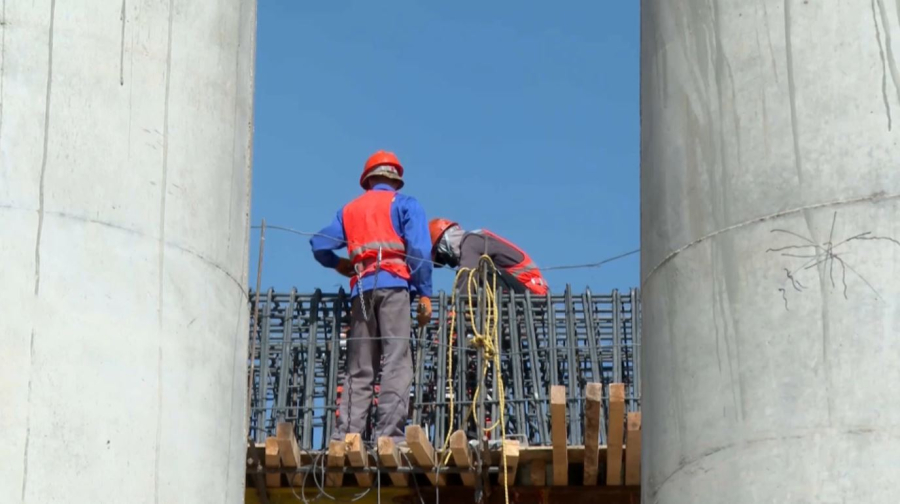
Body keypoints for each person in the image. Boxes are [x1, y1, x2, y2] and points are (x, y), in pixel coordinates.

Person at [310, 150, 433, 444]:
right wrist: (424, 291)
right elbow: (419, 251)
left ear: (367, 180)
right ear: (396, 180)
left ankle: (346, 435)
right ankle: (388, 436)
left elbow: (319, 244)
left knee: (360, 367)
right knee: (396, 361)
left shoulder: (349, 210)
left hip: (361, 290)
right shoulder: (404, 204)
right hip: (394, 288)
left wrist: (339, 264)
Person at [428, 218, 549, 295]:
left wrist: (454, 314)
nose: (447, 262)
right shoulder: (473, 243)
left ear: (444, 245)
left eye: (441, 258)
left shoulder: (471, 242)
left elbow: (466, 277)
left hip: (530, 293)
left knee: (475, 274)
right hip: (520, 290)